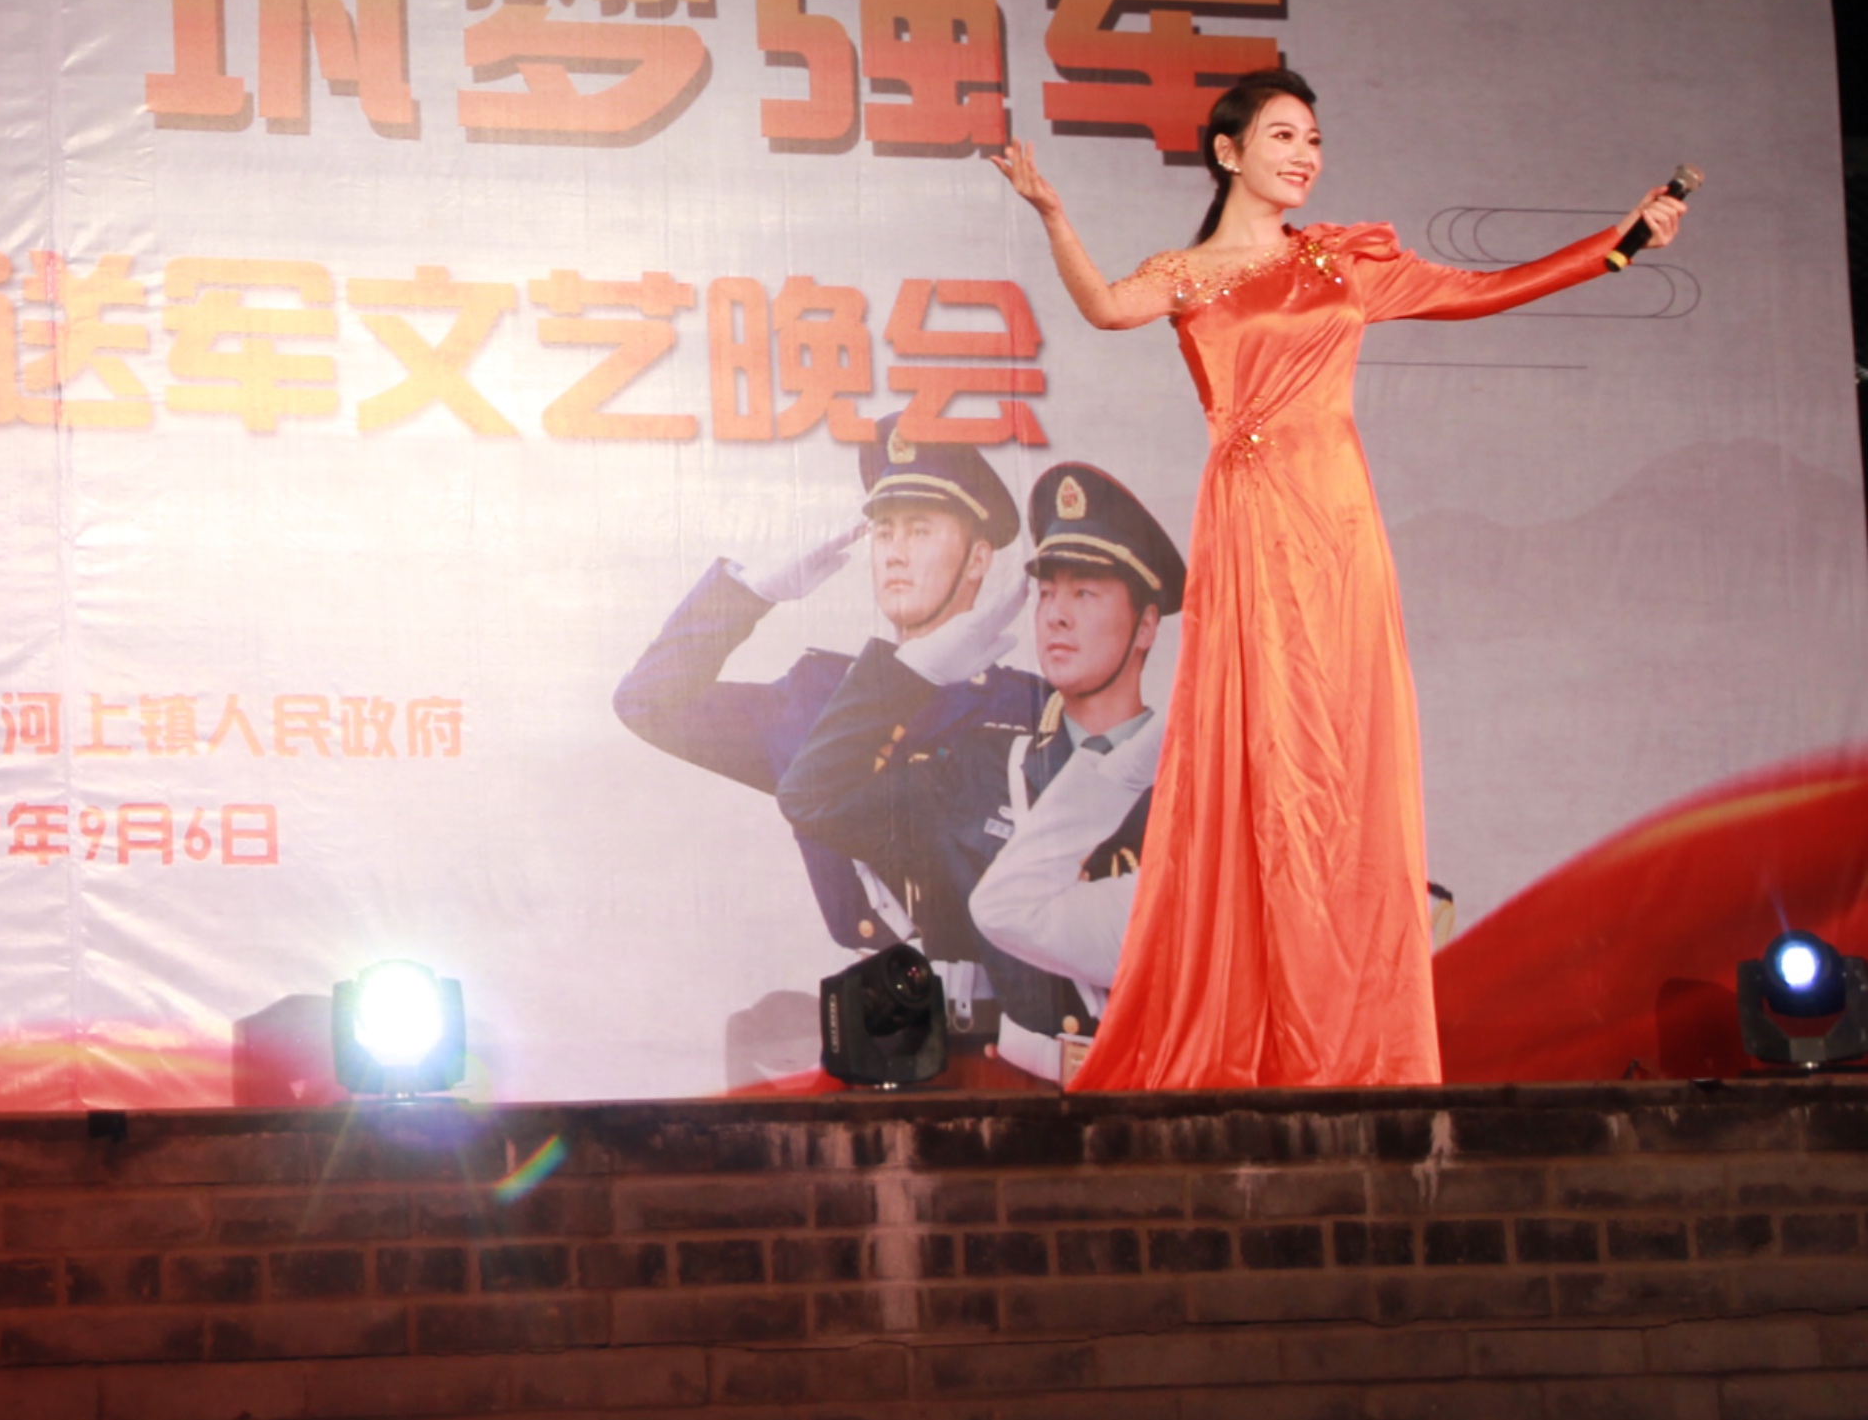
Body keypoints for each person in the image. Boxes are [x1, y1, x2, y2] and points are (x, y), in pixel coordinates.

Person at [988, 67, 1689, 1088]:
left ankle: (1346, 1021)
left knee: (1340, 744)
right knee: (1265, 746)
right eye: (1281, 135)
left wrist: (1616, 244)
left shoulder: (1340, 263)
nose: (1303, 155)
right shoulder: (1185, 272)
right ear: (1227, 153)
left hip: (1337, 519)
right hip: (1247, 516)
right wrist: (1053, 215)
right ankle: (1261, 1015)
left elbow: (1483, 291)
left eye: (1312, 139)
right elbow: (1101, 307)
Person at [615, 413, 1044, 995]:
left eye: (920, 531)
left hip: (1016, 1014)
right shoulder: (817, 698)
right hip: (870, 1008)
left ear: (977, 559)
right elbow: (648, 704)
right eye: (885, 532)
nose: (895, 554)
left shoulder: (1028, 709)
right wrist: (747, 594)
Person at [965, 462, 1187, 1078]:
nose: (1056, 616)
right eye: (1047, 593)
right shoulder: (985, 768)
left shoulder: (1197, 781)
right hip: (1026, 1088)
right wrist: (914, 676)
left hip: (1168, 1089)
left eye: (1084, 593)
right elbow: (817, 795)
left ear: (1146, 625)